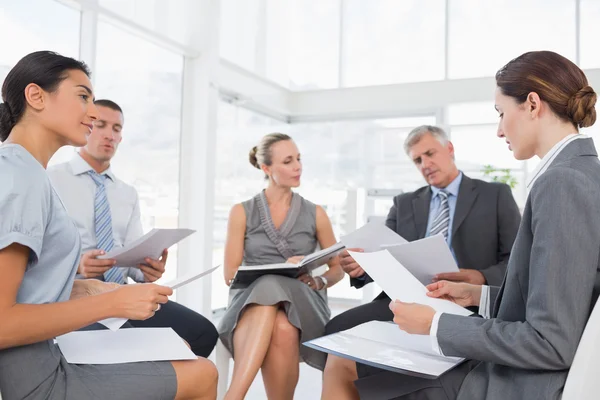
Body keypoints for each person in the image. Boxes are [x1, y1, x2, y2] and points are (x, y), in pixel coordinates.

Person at [355, 50, 600, 400]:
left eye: (501, 113)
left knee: (360, 372)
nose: (499, 130)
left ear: (532, 104)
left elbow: (550, 342)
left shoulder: (563, 183)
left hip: (525, 384)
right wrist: (479, 295)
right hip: (528, 370)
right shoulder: (580, 172)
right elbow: (564, 301)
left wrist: (436, 325)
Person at [0, 51, 216, 399]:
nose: (92, 112)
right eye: (83, 96)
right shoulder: (22, 177)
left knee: (191, 349)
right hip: (36, 380)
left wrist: (92, 289)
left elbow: (28, 288)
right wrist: (112, 305)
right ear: (36, 96)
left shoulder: (23, 171)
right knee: (203, 374)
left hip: (45, 356)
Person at [322, 125, 522, 398]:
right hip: (405, 297)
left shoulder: (494, 194)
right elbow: (381, 254)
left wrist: (480, 277)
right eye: (417, 160)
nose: (425, 164)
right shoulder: (404, 203)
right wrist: (361, 267)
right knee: (335, 332)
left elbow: (515, 260)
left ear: (449, 149)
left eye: (430, 153)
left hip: (464, 301)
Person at [48, 99, 218, 358]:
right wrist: (79, 265)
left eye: (117, 128)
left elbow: (132, 256)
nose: (109, 135)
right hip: (76, 294)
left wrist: (147, 270)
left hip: (123, 291)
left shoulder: (127, 193)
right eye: (101, 124)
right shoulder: (52, 179)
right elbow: (39, 255)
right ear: (85, 126)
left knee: (203, 332)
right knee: (125, 348)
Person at [217, 133, 344, 400]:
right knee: (282, 325)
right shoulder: (241, 211)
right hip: (247, 302)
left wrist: (319, 281)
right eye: (288, 161)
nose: (298, 166)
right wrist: (279, 267)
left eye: (298, 159)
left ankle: (233, 396)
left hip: (304, 300)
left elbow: (337, 267)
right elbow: (230, 274)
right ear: (266, 168)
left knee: (273, 285)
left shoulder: (316, 212)